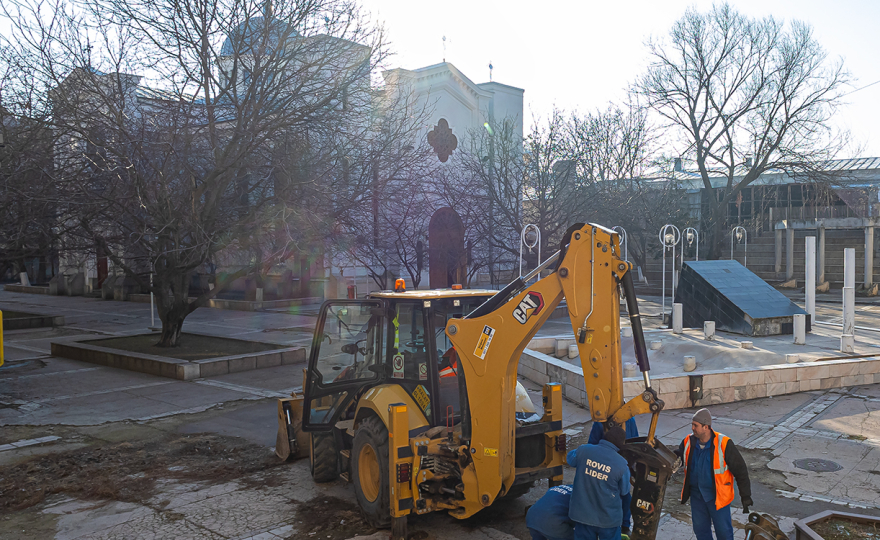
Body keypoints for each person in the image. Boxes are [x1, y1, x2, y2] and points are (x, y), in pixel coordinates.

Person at [676, 408, 753, 540]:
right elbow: (678, 457)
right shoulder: (688, 441)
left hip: (717, 498)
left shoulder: (724, 443)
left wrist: (745, 495)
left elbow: (740, 470)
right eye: (692, 425)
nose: (692, 428)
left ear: (706, 427)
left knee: (724, 533)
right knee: (700, 531)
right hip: (697, 496)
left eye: (696, 425)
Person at [567, 425, 630, 540]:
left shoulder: (584, 450)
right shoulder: (622, 465)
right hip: (608, 520)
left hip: (582, 516)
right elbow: (625, 491)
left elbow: (570, 459)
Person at [587, 419, 638, 536]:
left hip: (618, 463)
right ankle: (621, 525)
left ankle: (624, 525)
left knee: (622, 496)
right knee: (620, 495)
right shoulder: (602, 421)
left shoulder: (628, 419)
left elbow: (592, 443)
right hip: (614, 464)